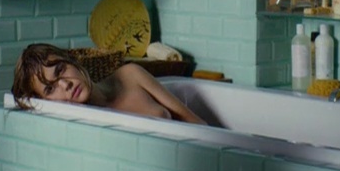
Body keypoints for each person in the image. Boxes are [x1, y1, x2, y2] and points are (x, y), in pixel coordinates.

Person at [12, 43, 207, 124]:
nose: (65, 86)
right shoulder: (80, 123)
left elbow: (194, 122)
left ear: (72, 61)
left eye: (61, 70)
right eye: (50, 89)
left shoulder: (130, 75)